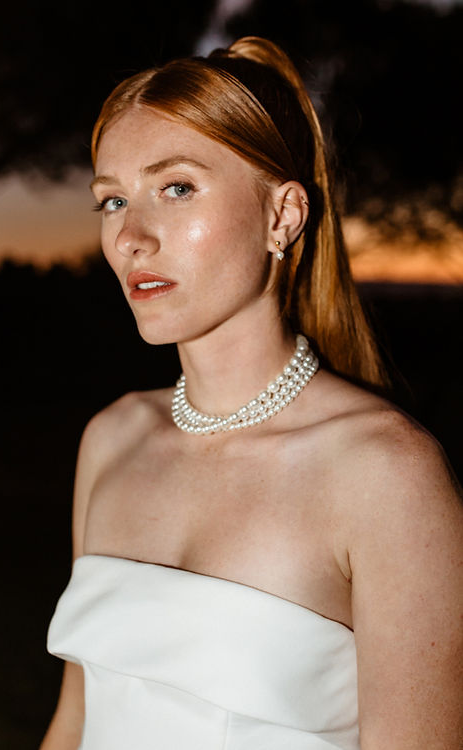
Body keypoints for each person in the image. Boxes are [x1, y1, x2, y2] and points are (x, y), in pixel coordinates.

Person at [40, 37, 463, 750]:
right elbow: (74, 721)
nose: (131, 237)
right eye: (112, 200)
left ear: (282, 216)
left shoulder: (388, 475)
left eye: (176, 188)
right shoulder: (111, 439)